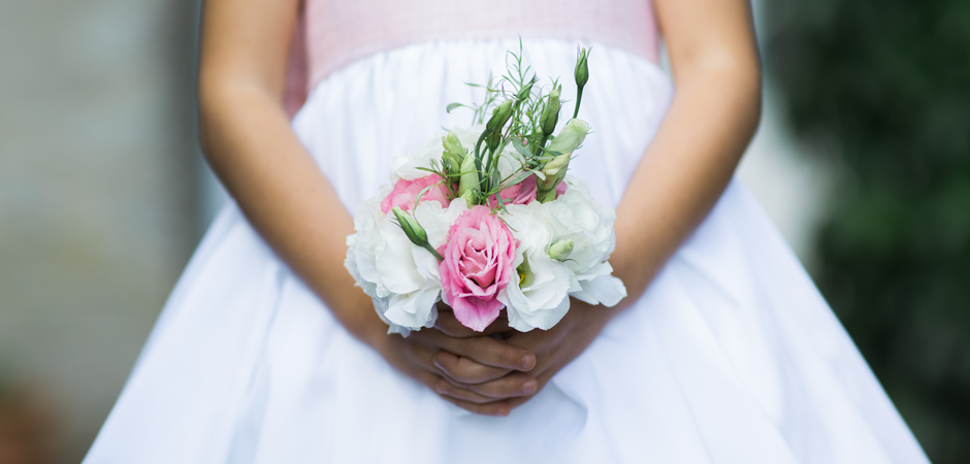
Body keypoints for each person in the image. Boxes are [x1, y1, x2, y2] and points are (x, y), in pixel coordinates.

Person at [84, 0, 929, 462]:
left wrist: (608, 281)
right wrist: (377, 314)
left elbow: (720, 65)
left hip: (641, 272)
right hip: (336, 287)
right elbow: (236, 91)